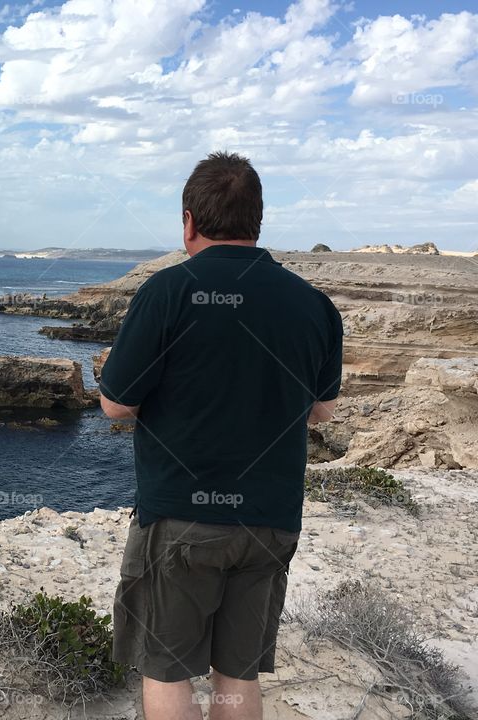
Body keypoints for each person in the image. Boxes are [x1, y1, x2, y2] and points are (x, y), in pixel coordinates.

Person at [99, 151, 343, 720]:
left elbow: (115, 405)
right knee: (237, 674)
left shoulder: (166, 292)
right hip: (271, 519)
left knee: (166, 670)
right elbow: (323, 412)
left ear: (188, 221)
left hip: (181, 517)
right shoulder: (314, 305)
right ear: (257, 220)